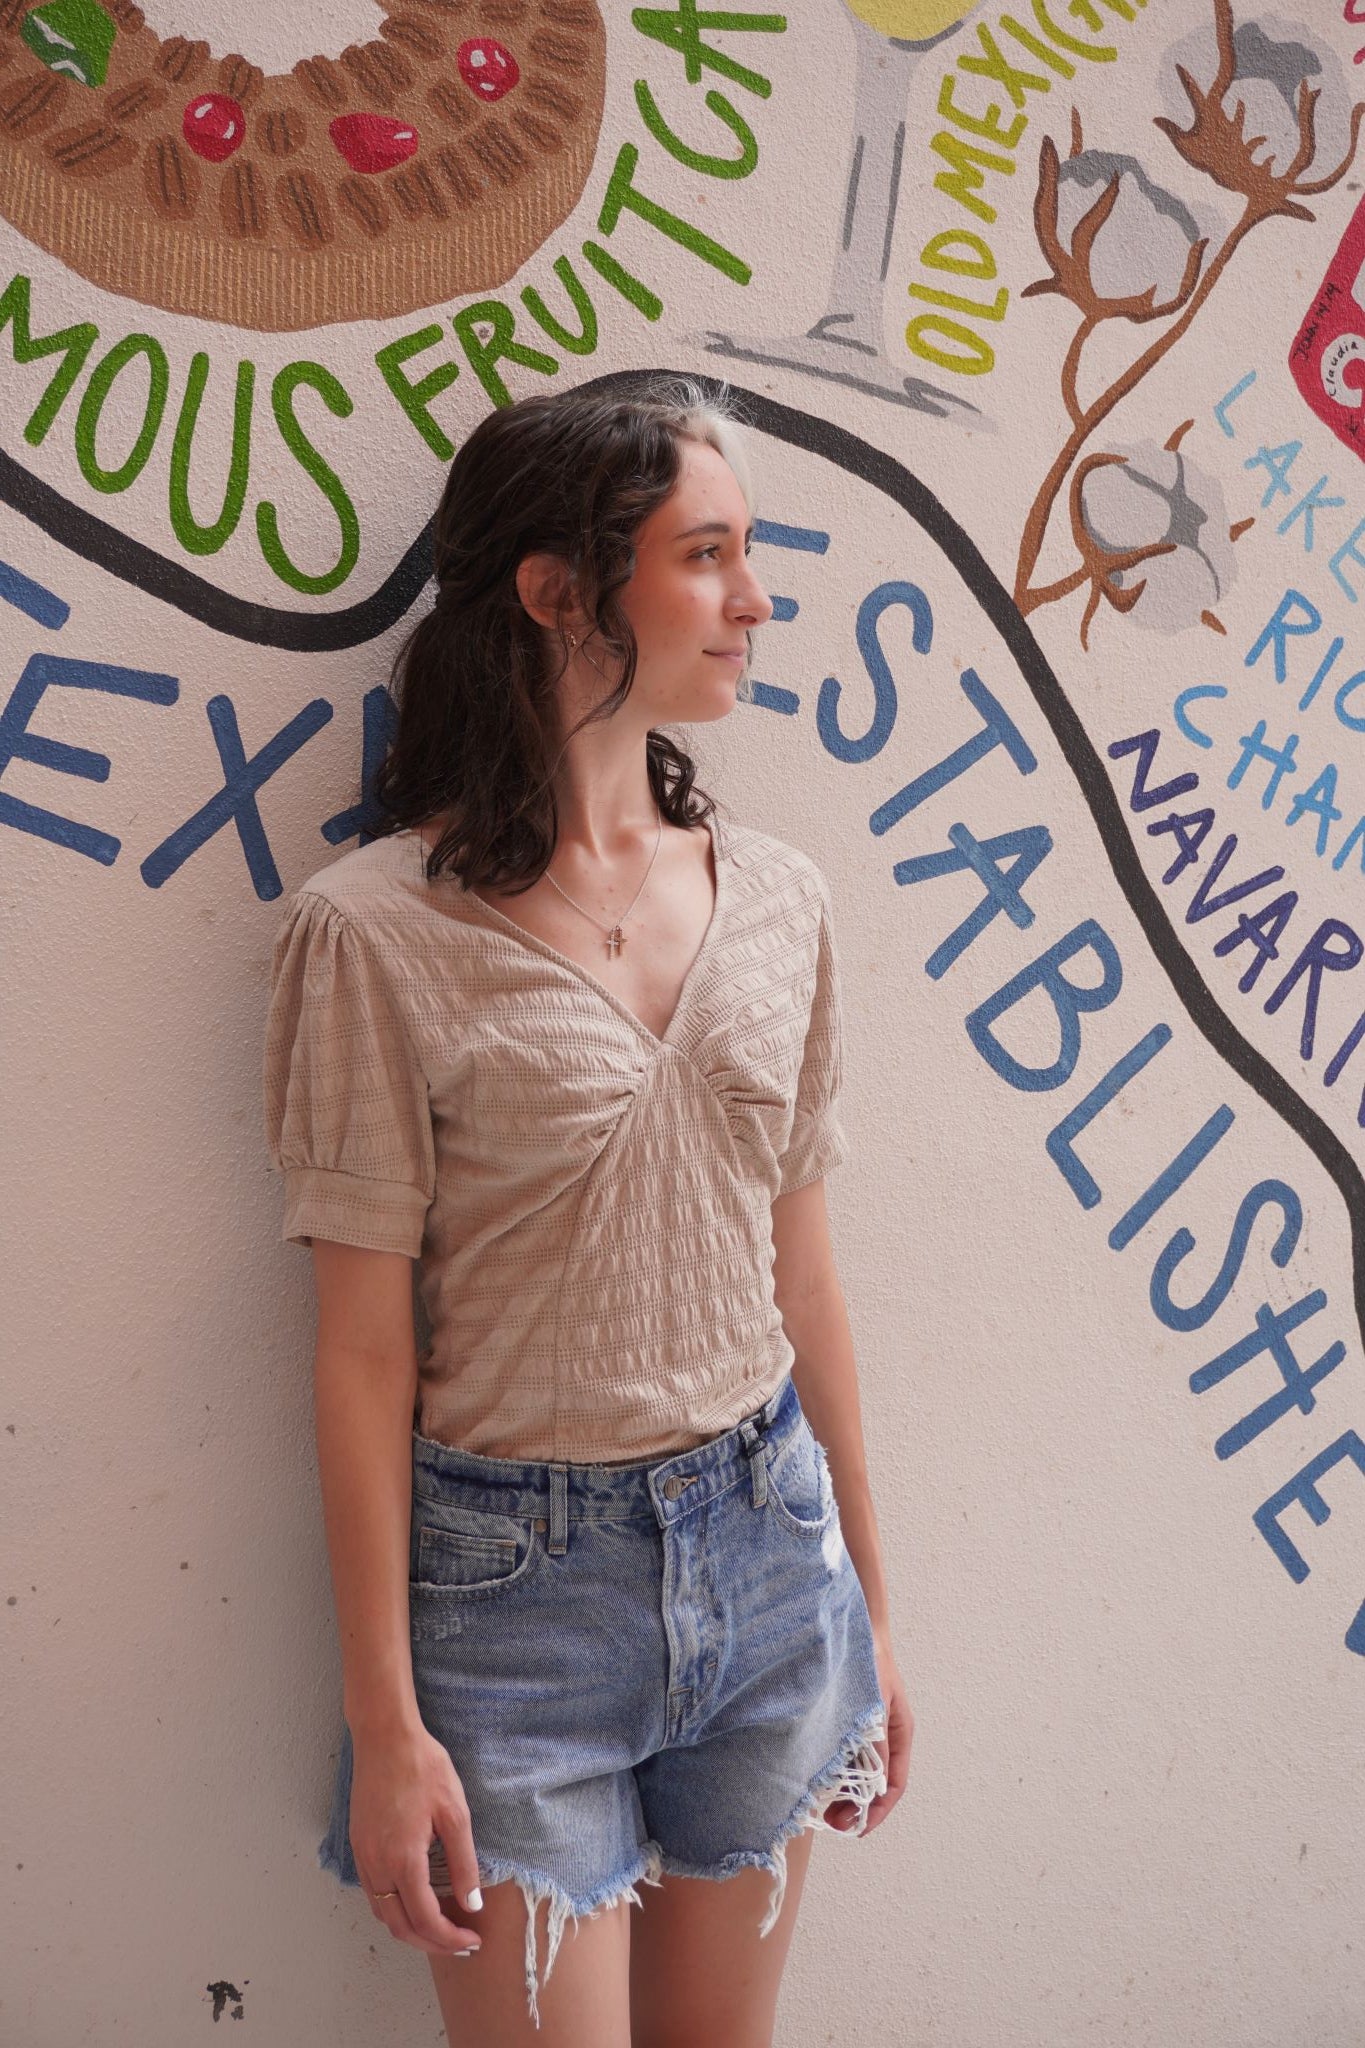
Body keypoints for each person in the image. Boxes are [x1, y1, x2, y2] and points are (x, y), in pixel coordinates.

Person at [262, 376, 912, 2047]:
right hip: (510, 1608)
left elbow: (806, 1275)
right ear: (557, 592)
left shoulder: (777, 901)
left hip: (772, 1565)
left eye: (748, 553)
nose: (756, 598)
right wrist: (385, 1718)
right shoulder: (375, 936)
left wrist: (872, 1617)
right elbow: (357, 1355)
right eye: (708, 555)